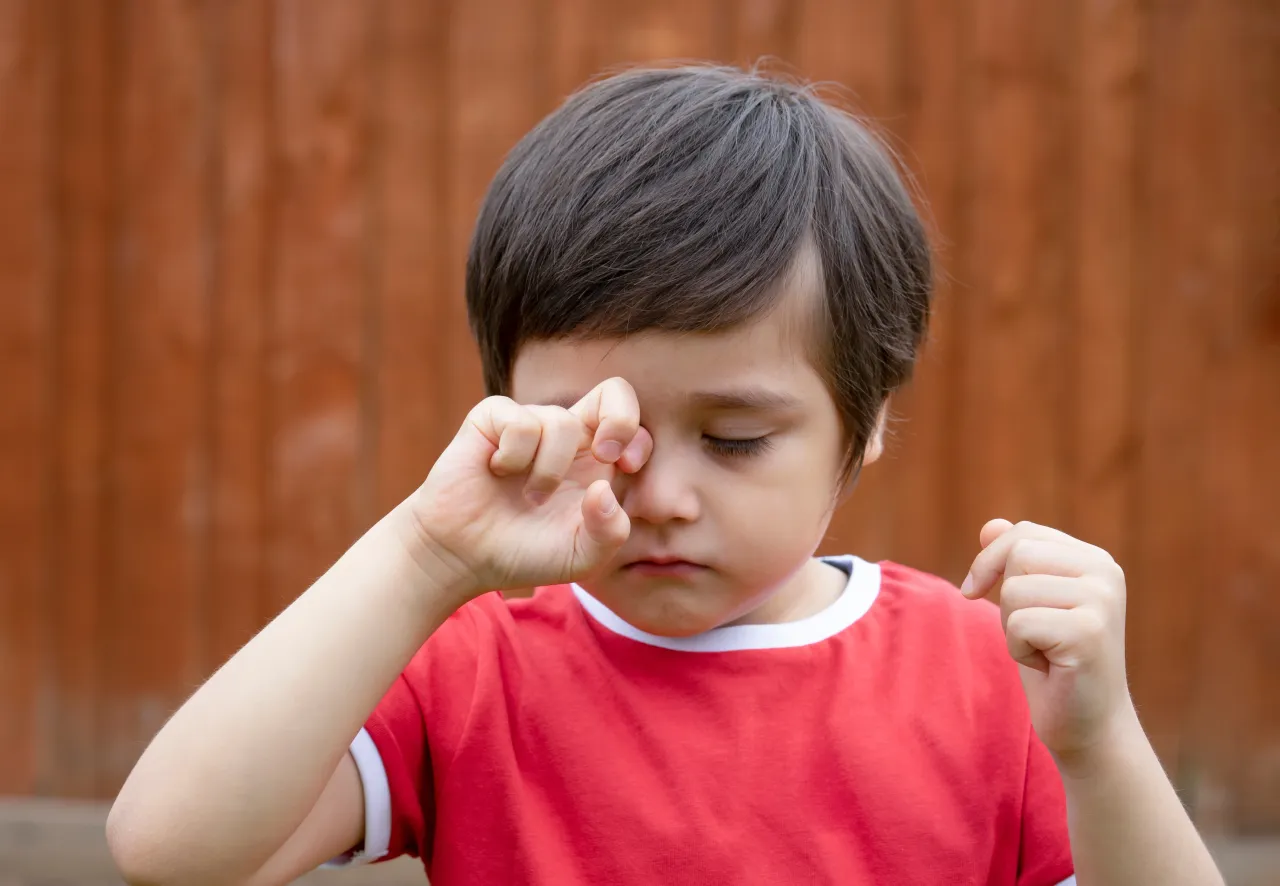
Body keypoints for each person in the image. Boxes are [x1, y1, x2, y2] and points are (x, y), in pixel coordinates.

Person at [106, 65, 1224, 886]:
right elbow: (169, 849)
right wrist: (421, 554)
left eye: (734, 439)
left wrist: (1102, 743)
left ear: (868, 421)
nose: (661, 493)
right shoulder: (471, 665)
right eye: (595, 432)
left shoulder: (989, 681)